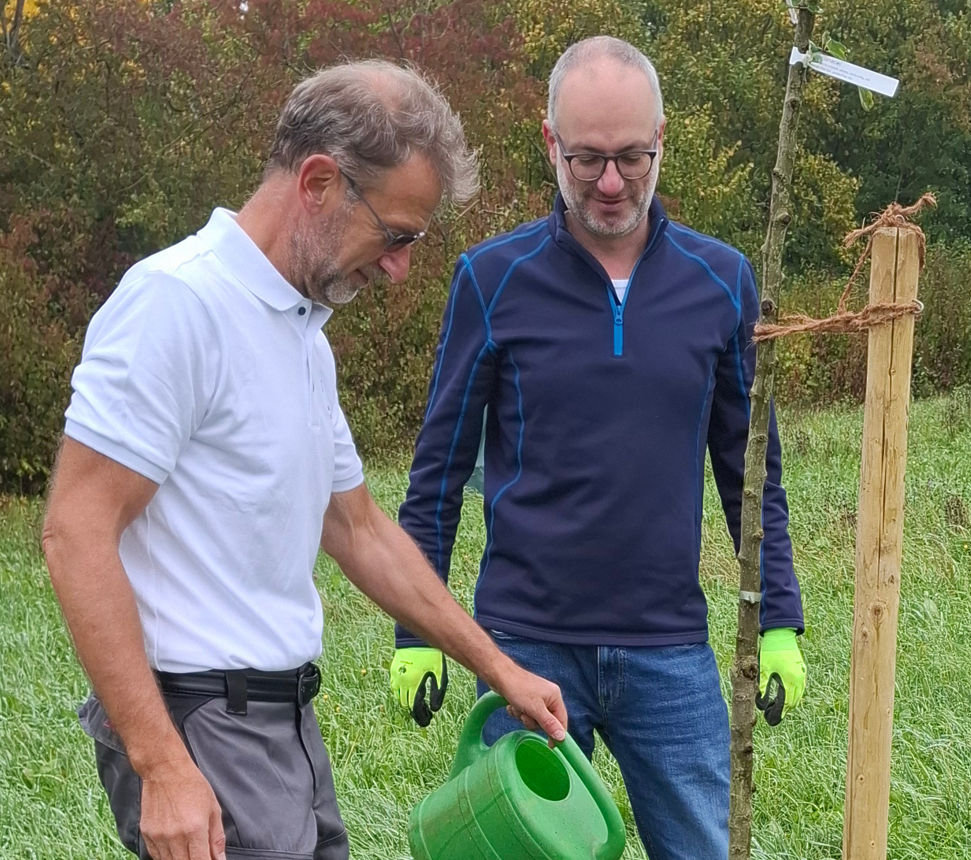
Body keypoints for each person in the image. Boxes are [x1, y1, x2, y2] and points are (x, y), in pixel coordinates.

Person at [41, 60, 567, 860]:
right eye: (396, 236)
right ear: (319, 182)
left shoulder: (299, 334)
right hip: (198, 720)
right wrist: (161, 766)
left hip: (283, 721)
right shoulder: (177, 304)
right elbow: (75, 529)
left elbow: (357, 528)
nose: (399, 268)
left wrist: (499, 669)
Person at [389, 37, 806, 859]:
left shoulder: (722, 281)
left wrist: (779, 619)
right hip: (525, 650)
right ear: (551, 143)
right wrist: (415, 631)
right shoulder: (491, 279)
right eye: (586, 160)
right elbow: (436, 473)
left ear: (662, 141)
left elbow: (750, 470)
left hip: (670, 652)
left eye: (631, 157)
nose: (611, 183)